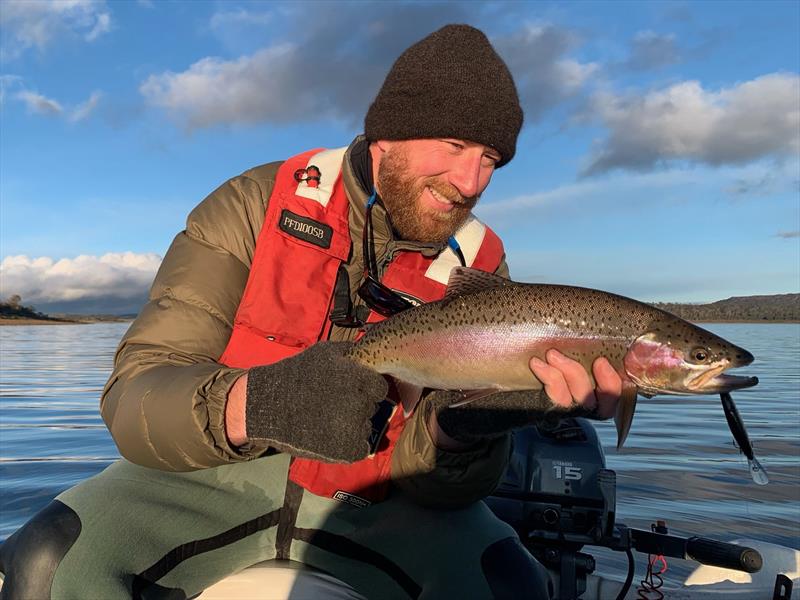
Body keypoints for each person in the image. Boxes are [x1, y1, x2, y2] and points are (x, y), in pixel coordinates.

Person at [0, 24, 622, 599]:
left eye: (490, 158)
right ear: (388, 135)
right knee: (44, 561)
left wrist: (465, 430)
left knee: (512, 585)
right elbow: (134, 397)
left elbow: (440, 486)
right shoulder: (253, 204)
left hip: (382, 502)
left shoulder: (482, 259)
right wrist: (259, 403)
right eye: (455, 145)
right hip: (212, 480)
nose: (471, 181)